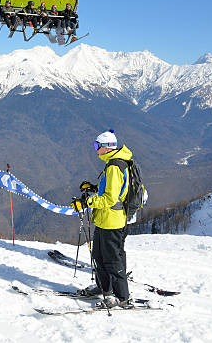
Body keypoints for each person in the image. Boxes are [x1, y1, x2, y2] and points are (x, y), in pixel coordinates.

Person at [71, 129, 133, 309]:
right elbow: (110, 189)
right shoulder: (111, 164)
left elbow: (110, 198)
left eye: (97, 146)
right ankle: (104, 288)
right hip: (104, 220)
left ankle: (122, 297)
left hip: (112, 222)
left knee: (112, 260)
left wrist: (86, 202)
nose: (95, 149)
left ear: (106, 148)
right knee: (98, 255)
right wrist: (93, 187)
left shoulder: (115, 166)